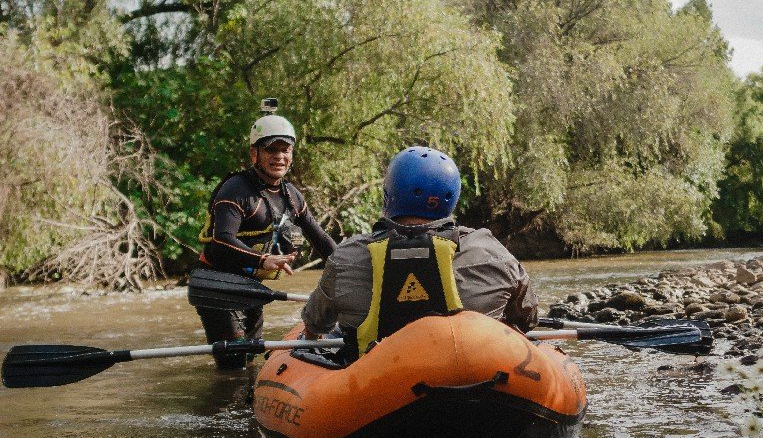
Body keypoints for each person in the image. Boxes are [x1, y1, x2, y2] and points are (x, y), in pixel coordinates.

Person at [301, 146, 537, 363]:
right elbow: (527, 319)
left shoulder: (347, 256)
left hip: (374, 381)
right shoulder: (492, 252)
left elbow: (315, 325)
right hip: (475, 378)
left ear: (390, 194)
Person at [195, 98, 337, 369]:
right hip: (216, 284)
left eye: (285, 150)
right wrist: (263, 260)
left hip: (250, 286)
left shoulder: (291, 195)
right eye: (271, 149)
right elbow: (222, 239)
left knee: (249, 358)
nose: (279, 157)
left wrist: (349, 264)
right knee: (234, 363)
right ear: (254, 154)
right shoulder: (236, 190)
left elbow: (320, 238)